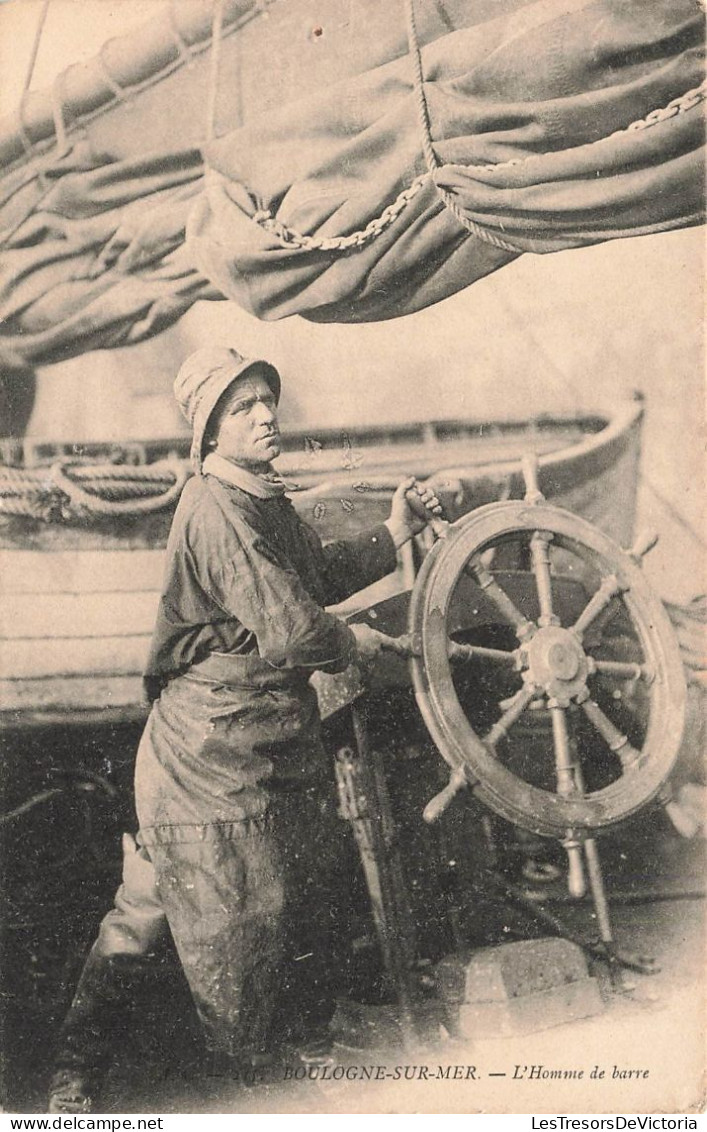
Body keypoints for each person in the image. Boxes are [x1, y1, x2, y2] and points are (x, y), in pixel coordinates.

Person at [48, 346, 442, 1112]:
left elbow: (308, 578)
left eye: (267, 400)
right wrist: (352, 642)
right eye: (242, 408)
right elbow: (296, 630)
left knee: (231, 906)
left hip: (259, 740)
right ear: (208, 430)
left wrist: (393, 531)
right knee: (192, 910)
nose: (265, 415)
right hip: (208, 754)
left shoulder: (258, 499)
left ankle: (140, 1075)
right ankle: (91, 1080)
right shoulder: (216, 507)